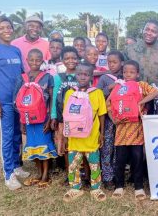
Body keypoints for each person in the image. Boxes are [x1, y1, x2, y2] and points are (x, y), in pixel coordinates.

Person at [0, 16, 30, 190]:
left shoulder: (16, 50)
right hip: (3, 101)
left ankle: (17, 166)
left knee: (17, 135)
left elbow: (21, 75)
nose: (7, 30)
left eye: (9, 27)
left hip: (17, 101)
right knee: (7, 136)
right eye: (2, 28)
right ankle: (8, 174)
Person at [109, 60, 158, 200]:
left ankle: (139, 187)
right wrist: (114, 120)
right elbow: (108, 105)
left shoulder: (141, 85)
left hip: (136, 130)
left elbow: (155, 92)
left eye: (132, 72)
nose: (128, 74)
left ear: (137, 74)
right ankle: (119, 186)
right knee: (120, 160)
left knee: (137, 159)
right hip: (121, 131)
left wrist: (140, 103)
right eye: (125, 72)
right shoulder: (118, 87)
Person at [62, 62, 107, 202]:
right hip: (74, 138)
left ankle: (96, 188)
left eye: (86, 74)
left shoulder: (97, 93)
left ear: (91, 76)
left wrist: (102, 133)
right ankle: (75, 188)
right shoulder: (70, 93)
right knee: (73, 165)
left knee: (94, 165)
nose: (82, 77)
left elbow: (102, 114)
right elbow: (66, 116)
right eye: (80, 74)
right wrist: (65, 136)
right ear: (75, 75)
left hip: (91, 137)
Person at [14, 49, 58, 189]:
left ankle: (46, 175)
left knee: (44, 146)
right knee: (33, 146)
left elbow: (52, 98)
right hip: (28, 120)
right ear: (26, 61)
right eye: (31, 60)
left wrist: (51, 118)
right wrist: (22, 122)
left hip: (43, 118)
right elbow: (18, 101)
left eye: (38, 60)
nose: (34, 62)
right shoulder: (21, 77)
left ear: (42, 61)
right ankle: (39, 174)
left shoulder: (47, 77)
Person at [51, 46, 79, 185]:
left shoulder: (82, 75)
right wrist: (53, 116)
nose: (71, 61)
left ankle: (82, 173)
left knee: (79, 147)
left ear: (78, 59)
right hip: (64, 119)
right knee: (67, 148)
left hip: (79, 120)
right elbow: (55, 97)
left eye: (74, 58)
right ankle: (70, 174)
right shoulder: (58, 78)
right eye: (67, 58)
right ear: (62, 60)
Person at [96, 50, 124, 189]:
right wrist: (111, 87)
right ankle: (107, 177)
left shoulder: (127, 76)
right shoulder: (104, 78)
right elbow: (97, 94)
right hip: (107, 118)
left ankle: (117, 174)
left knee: (118, 147)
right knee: (107, 147)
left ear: (122, 63)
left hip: (123, 119)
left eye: (115, 62)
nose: (112, 65)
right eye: (109, 62)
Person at [124, 19, 158, 84]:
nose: (149, 33)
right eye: (147, 29)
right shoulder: (129, 49)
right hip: (132, 91)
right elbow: (118, 68)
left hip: (155, 92)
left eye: (153, 31)